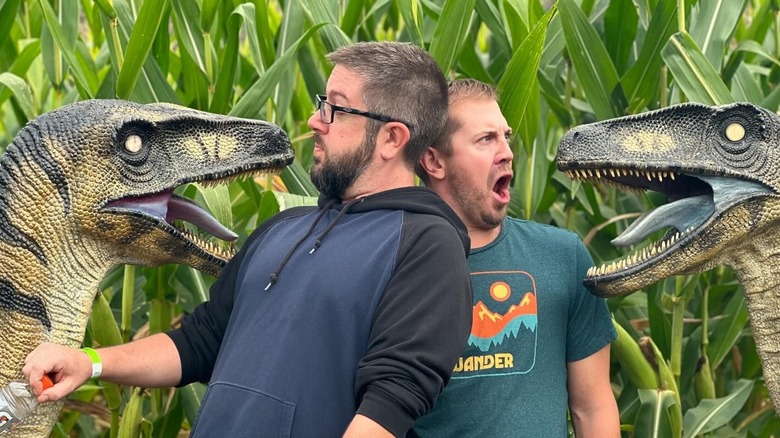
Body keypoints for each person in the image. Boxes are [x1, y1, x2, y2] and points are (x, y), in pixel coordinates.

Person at [22, 42, 473, 438]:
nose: (315, 121)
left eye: (335, 108)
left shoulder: (426, 245)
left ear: (392, 138)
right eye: (321, 103)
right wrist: (90, 362)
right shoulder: (283, 228)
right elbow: (197, 344)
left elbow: (391, 403)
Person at [413, 79, 619, 437]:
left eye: (506, 136)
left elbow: (593, 406)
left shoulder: (562, 256)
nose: (506, 151)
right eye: (486, 139)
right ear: (433, 161)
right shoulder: (398, 267)